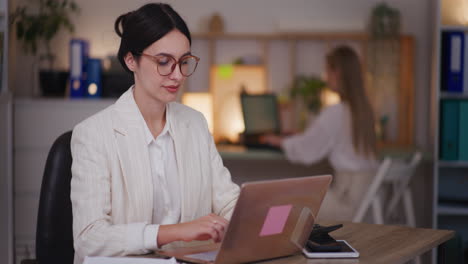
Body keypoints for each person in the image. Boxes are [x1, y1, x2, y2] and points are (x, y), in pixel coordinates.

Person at [70, 3, 240, 264]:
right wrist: (171, 232)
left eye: (183, 62)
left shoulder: (194, 124)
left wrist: (249, 218)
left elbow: (228, 202)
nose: (177, 75)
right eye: (164, 62)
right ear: (130, 60)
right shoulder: (93, 134)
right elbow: (89, 239)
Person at [262, 45, 378, 221]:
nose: (326, 77)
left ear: (337, 72)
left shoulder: (336, 112)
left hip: (344, 202)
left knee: (280, 200)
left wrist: (279, 141)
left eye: (327, 71)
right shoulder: (364, 111)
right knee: (292, 197)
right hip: (361, 202)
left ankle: (272, 247)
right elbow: (330, 137)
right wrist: (301, 135)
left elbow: (307, 149)